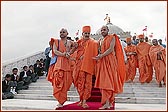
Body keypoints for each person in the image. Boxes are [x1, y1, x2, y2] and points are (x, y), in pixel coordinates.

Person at [93, 25, 126, 109]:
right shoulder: (100, 40)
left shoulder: (112, 37)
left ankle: (108, 102)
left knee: (109, 81)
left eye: (104, 30)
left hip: (110, 61)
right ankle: (107, 102)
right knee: (103, 82)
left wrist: (101, 55)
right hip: (102, 62)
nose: (103, 31)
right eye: (102, 30)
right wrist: (98, 56)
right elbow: (98, 50)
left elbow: (111, 49)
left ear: (108, 30)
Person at [47, 28, 75, 109]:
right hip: (59, 64)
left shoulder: (70, 42)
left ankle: (62, 101)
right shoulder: (56, 41)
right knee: (58, 82)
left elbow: (76, 46)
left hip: (67, 64)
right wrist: (64, 54)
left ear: (67, 33)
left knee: (66, 83)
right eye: (61, 32)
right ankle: (60, 101)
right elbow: (55, 51)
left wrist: (70, 53)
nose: (62, 33)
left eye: (63, 32)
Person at [73, 26, 98, 108]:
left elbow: (95, 52)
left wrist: (86, 56)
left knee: (87, 84)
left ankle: (84, 101)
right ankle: (81, 99)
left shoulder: (93, 42)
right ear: (82, 34)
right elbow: (72, 49)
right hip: (79, 66)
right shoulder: (78, 42)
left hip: (88, 66)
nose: (87, 35)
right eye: (85, 33)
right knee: (78, 82)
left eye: (88, 33)